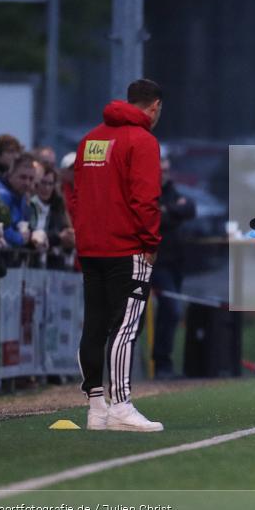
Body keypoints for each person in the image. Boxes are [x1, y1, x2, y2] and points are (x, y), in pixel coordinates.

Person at [73, 78, 164, 432]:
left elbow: (77, 195)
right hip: (128, 247)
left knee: (94, 325)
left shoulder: (90, 140)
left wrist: (83, 237)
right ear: (154, 106)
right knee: (125, 327)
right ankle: (121, 405)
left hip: (92, 247)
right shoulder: (142, 141)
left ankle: (97, 407)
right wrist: (151, 242)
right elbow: (145, 200)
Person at [151, 153, 196, 380]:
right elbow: (155, 218)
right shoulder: (147, 190)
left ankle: (163, 364)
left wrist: (168, 211)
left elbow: (189, 208)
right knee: (137, 317)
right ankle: (125, 369)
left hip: (172, 264)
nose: (165, 174)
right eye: (161, 170)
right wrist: (171, 211)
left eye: (167, 170)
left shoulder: (171, 191)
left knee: (171, 311)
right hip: (151, 261)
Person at [0, 153, 41, 252]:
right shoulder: (1, 194)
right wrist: (22, 239)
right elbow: (3, 231)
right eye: (23, 177)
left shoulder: (21, 195)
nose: (27, 183)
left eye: (31, 179)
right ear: (10, 175)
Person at [30, 163, 75, 267]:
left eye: (50, 184)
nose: (46, 188)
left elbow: (65, 230)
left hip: (54, 265)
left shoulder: (58, 206)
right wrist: (58, 238)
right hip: (32, 263)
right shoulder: (30, 204)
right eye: (43, 183)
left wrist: (70, 238)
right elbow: (32, 233)